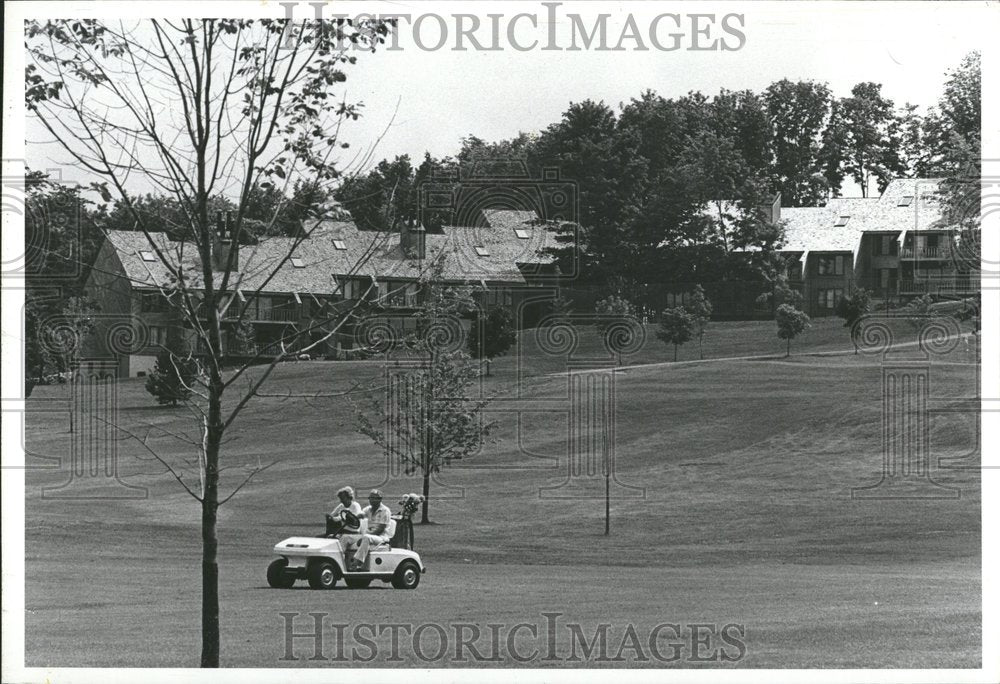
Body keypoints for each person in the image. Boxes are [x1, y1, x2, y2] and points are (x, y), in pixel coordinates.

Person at [350, 489, 393, 570]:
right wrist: (354, 517)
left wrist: (363, 537)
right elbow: (361, 514)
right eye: (370, 498)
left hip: (381, 538)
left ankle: (357, 562)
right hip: (369, 536)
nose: (371, 500)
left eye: (374, 498)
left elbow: (380, 529)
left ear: (380, 499)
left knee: (366, 537)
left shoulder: (385, 511)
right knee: (346, 537)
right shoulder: (369, 509)